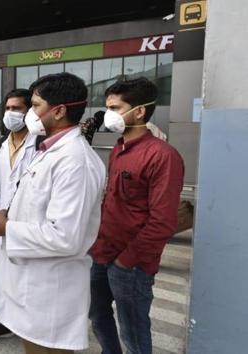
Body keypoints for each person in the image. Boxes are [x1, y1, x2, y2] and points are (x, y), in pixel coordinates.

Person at [0, 73, 106, 354]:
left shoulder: (75, 162)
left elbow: (66, 237)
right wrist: (8, 213)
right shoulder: (50, 150)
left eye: (34, 105)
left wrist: (6, 227)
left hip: (51, 289)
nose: (28, 113)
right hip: (33, 281)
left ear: (58, 111)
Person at [89, 78, 184, 354]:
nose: (109, 115)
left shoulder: (162, 156)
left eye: (115, 108)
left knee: (133, 332)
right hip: (101, 253)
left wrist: (126, 260)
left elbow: (163, 221)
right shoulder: (119, 149)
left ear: (139, 111)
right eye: (107, 107)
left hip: (131, 265)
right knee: (97, 317)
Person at [0, 88, 39, 345]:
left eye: (18, 108)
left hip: (27, 224)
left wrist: (11, 216)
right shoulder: (3, 142)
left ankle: (30, 326)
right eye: (8, 108)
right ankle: (5, 321)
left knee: (30, 278)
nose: (11, 113)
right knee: (8, 275)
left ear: (29, 111)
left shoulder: (40, 143)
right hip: (2, 222)